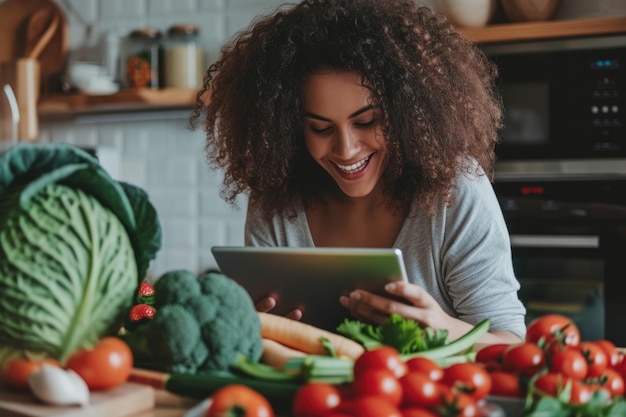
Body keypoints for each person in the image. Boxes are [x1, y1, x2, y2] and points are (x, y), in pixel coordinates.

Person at [192, 0, 526, 344]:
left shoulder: (455, 189)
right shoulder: (275, 201)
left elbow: (510, 341)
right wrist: (263, 328)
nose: (346, 149)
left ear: (406, 113)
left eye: (366, 122)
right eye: (321, 129)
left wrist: (443, 329)